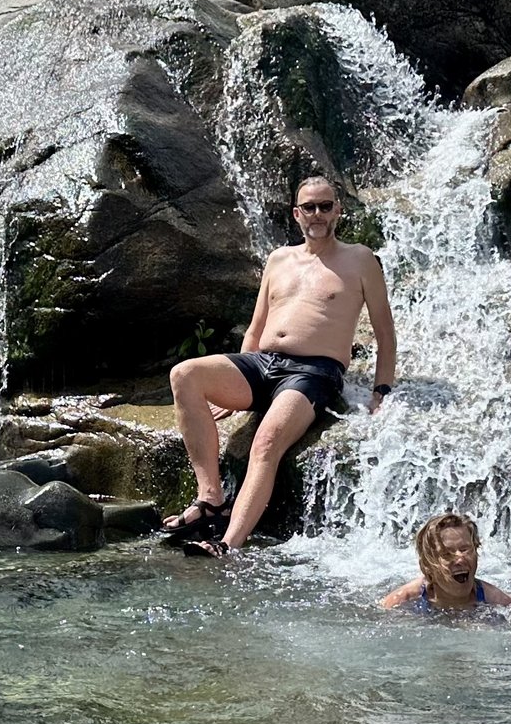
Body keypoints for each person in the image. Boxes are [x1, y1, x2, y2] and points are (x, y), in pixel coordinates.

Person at [161, 175, 397, 555]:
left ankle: (228, 543)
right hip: (263, 363)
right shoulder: (279, 259)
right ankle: (211, 499)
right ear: (296, 214)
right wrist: (233, 383)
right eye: (309, 207)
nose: (317, 214)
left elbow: (385, 332)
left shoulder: (360, 259)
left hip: (314, 373)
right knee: (184, 374)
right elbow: (256, 328)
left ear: (338, 210)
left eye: (325, 206)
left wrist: (381, 389)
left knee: (266, 442)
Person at [379, 511, 511, 613]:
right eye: (447, 553)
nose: (460, 558)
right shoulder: (401, 602)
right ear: (427, 566)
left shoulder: (499, 603)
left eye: (465, 549)